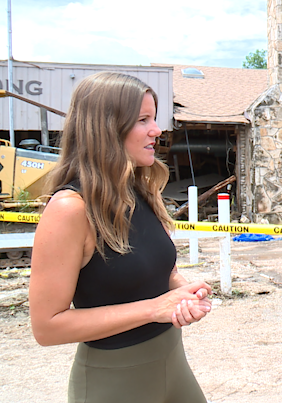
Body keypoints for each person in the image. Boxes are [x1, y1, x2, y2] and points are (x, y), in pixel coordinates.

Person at [29, 72, 212, 403]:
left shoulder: (140, 190)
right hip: (113, 382)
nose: (157, 130)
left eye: (153, 118)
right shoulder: (70, 209)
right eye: (143, 120)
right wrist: (153, 309)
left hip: (173, 366)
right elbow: (47, 327)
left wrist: (184, 294)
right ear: (105, 129)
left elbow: (163, 272)